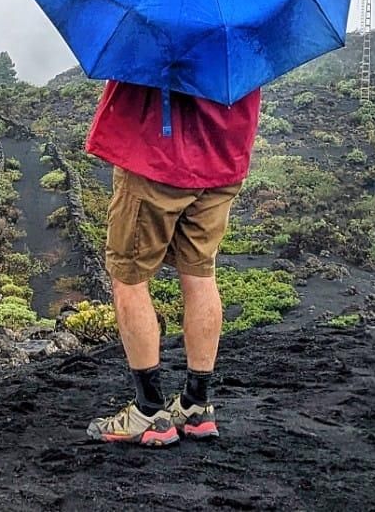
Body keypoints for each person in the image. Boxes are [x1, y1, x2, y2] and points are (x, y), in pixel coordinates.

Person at [82, 79, 262, 446]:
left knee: (129, 276)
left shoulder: (164, 21)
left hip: (158, 158)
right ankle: (196, 405)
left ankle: (149, 412)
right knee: (200, 272)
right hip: (224, 155)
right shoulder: (242, 23)